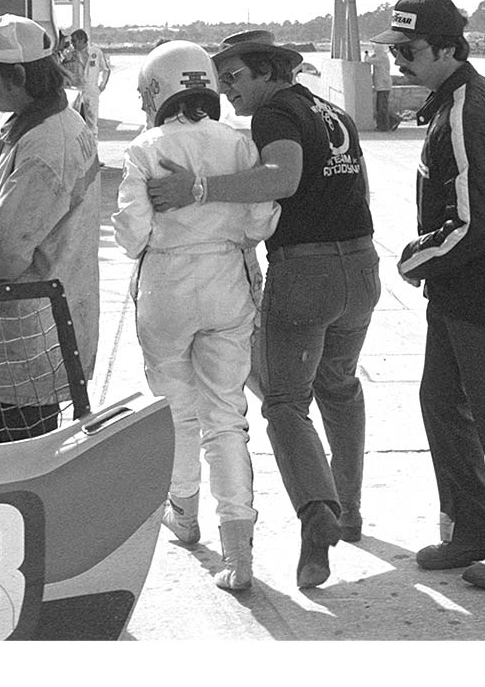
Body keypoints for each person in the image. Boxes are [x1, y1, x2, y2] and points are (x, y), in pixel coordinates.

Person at [147, 30, 380, 590]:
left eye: (235, 77)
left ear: (270, 72)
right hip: (360, 265)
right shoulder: (332, 111)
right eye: (219, 79)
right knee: (341, 385)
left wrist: (196, 190)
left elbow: (283, 178)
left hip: (308, 272)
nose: (226, 91)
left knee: (285, 402)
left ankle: (316, 513)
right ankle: (348, 508)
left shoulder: (276, 113)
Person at [371, 0, 485, 590]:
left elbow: (482, 221)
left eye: (409, 50)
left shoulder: (469, 109)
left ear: (447, 48)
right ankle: (472, 529)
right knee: (442, 406)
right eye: (393, 48)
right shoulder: (470, 99)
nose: (399, 60)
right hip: (464, 288)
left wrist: (415, 259)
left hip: (480, 290)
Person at [112, 41, 280, 591]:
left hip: (165, 285)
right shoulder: (240, 144)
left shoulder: (145, 147)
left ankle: (183, 515)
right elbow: (259, 223)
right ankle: (239, 549)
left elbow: (131, 232)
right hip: (227, 282)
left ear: (158, 89)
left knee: (177, 412)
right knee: (227, 417)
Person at [0, 14, 101, 445]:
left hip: (25, 342)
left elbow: (5, 246)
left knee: (11, 461)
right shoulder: (54, 125)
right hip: (45, 329)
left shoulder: (46, 146)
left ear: (17, 76)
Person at [68, 29, 111, 139]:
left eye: (74, 41)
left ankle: (93, 144)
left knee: (92, 120)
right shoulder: (70, 54)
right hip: (76, 89)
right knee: (75, 120)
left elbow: (105, 69)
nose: (72, 44)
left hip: (91, 89)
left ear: (82, 40)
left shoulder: (95, 52)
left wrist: (101, 86)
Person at [367, 42, 400, 131]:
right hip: (381, 85)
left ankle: (384, 126)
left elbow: (368, 60)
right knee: (381, 106)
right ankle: (392, 121)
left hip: (383, 86)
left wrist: (367, 55)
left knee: (381, 107)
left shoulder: (381, 58)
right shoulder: (382, 56)